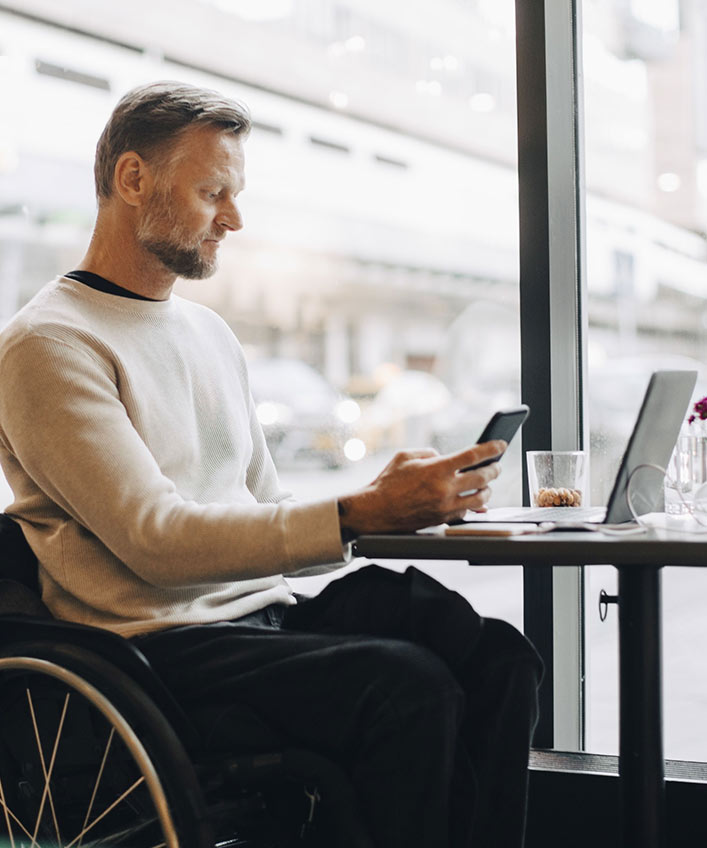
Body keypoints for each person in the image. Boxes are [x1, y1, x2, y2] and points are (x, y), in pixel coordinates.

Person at [0, 81, 542, 847]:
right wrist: (358, 513)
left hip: (264, 618)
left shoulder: (208, 332)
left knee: (496, 655)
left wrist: (401, 502)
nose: (234, 217)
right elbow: (155, 540)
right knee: (405, 688)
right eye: (212, 191)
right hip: (157, 650)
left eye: (236, 192)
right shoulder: (48, 345)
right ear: (132, 180)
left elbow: (262, 503)